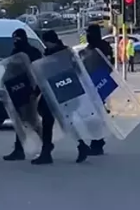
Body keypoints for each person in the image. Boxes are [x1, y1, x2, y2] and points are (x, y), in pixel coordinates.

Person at [42, 30, 91, 163]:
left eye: (46, 42)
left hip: (57, 90)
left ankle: (46, 151)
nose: (46, 45)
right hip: (66, 89)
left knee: (50, 121)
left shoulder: (54, 54)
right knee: (65, 121)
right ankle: (80, 145)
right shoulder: (67, 52)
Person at [3, 28, 44, 162]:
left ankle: (46, 145)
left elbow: (38, 71)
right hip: (16, 90)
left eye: (18, 39)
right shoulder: (16, 52)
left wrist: (36, 90)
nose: (16, 42)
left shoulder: (32, 52)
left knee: (30, 120)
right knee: (21, 121)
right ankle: (19, 149)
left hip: (29, 90)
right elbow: (9, 70)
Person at [85, 23, 114, 156]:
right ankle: (96, 141)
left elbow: (109, 64)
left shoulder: (103, 47)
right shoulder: (88, 48)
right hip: (89, 83)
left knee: (97, 116)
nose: (87, 35)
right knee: (93, 116)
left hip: (100, 83)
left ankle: (98, 142)